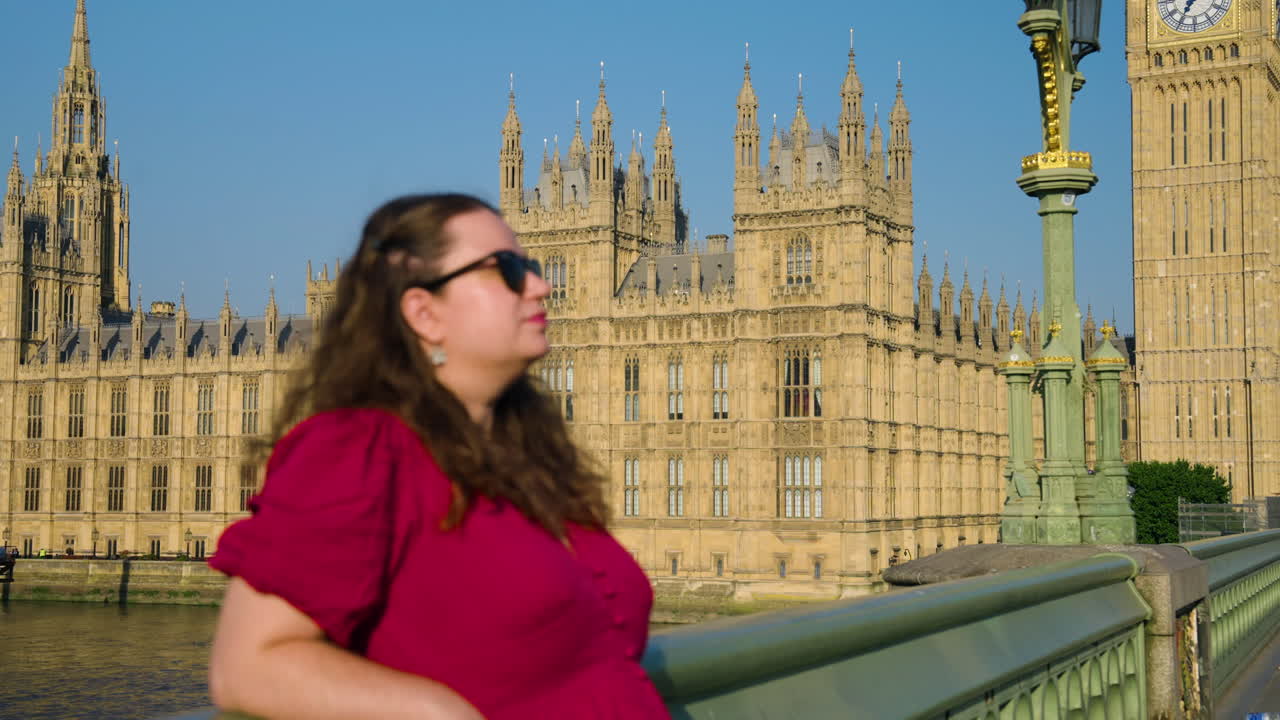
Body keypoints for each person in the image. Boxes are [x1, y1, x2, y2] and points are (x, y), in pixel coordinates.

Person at [208, 193, 669, 719]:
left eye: (537, 266)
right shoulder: (359, 451)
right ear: (424, 312)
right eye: (510, 270)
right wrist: (437, 713)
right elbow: (246, 666)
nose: (541, 285)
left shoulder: (527, 458)